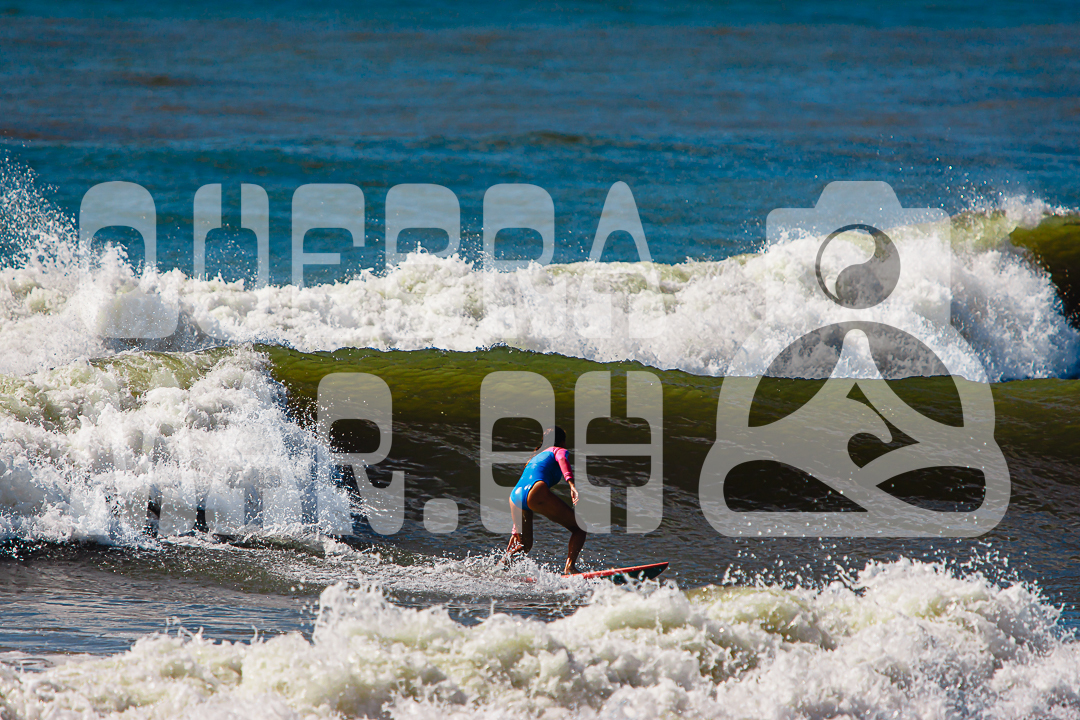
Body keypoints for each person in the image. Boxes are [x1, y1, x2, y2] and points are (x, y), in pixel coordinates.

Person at [501, 426, 586, 574]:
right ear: (562, 441)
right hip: (535, 491)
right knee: (579, 528)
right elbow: (562, 459)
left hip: (515, 496)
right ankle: (570, 568)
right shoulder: (558, 450)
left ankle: (499, 569)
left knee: (524, 545)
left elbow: (524, 482)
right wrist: (572, 485)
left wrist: (515, 531)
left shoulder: (534, 457)